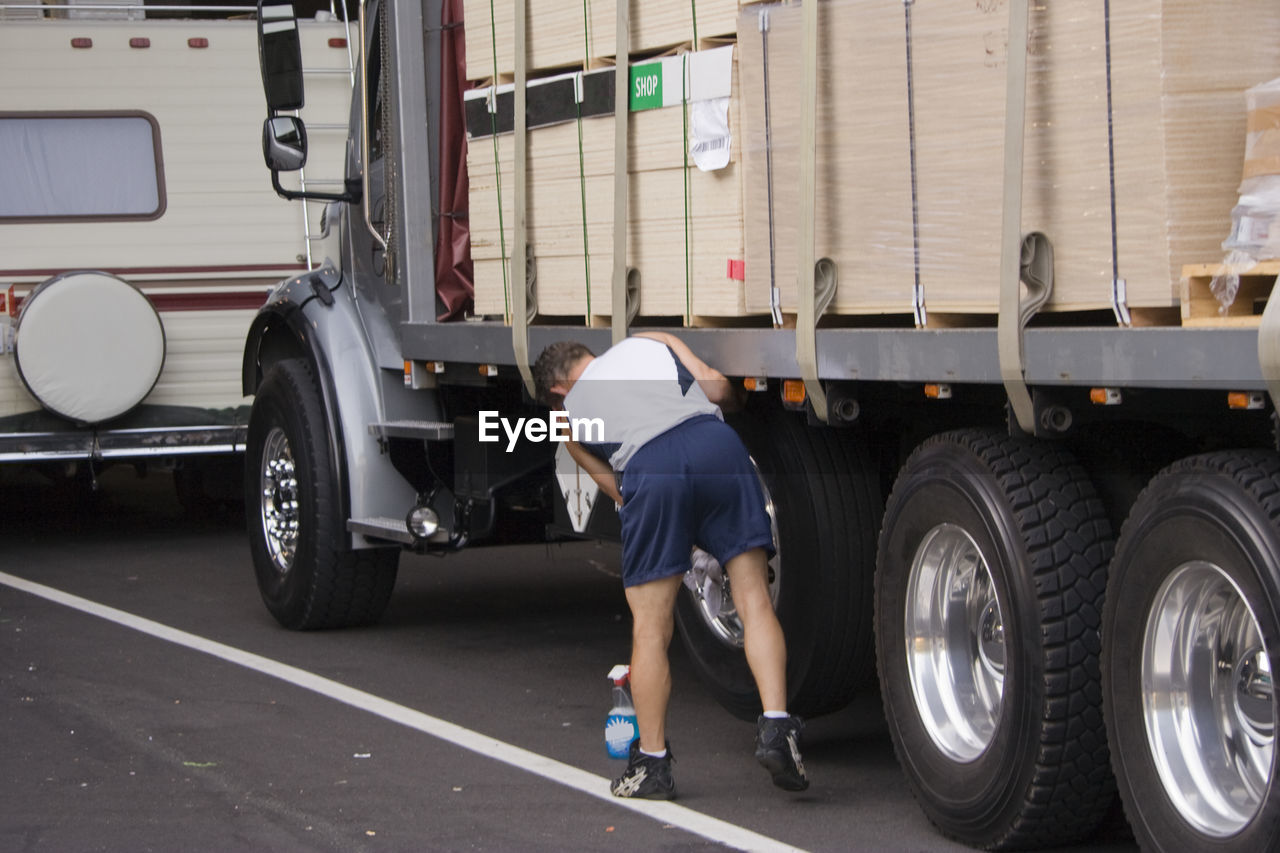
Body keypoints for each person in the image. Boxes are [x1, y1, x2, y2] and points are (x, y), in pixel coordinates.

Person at [532, 332, 808, 800]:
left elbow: (621, 491)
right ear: (590, 356)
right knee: (754, 599)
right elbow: (718, 390)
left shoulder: (567, 414)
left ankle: (653, 764)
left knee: (650, 629)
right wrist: (739, 400)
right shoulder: (648, 342)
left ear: (556, 391)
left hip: (652, 467)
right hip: (718, 444)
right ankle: (778, 728)